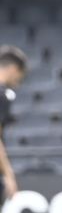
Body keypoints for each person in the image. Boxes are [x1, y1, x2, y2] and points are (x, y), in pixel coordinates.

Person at [0, 45, 27, 203]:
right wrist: (9, 175)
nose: (17, 82)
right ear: (13, 68)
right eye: (19, 75)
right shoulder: (2, 95)